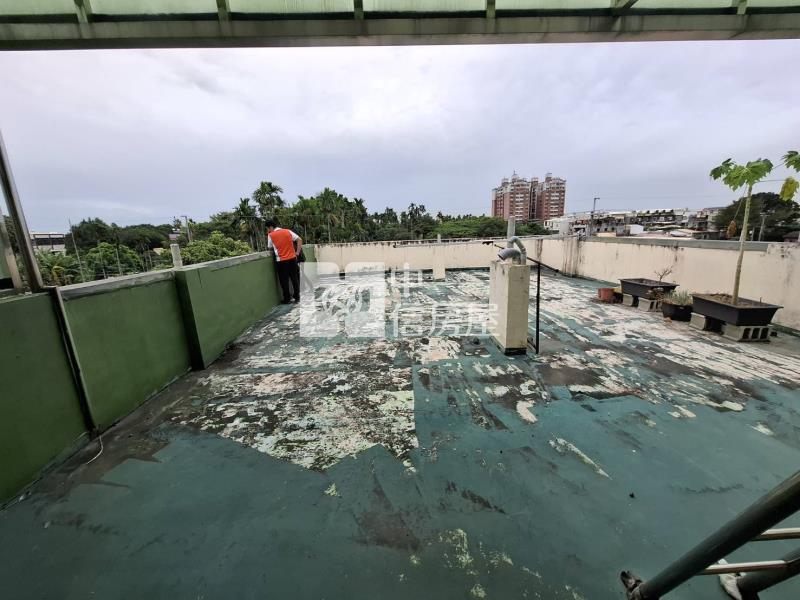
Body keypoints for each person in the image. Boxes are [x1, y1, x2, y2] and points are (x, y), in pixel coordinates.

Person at [265, 219, 302, 304]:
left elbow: (270, 247)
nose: (267, 230)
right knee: (295, 278)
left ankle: (287, 299)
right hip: (293, 259)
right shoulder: (287, 231)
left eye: (267, 228)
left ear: (270, 227)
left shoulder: (271, 235)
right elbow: (299, 239)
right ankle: (297, 296)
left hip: (281, 261)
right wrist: (297, 252)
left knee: (284, 280)